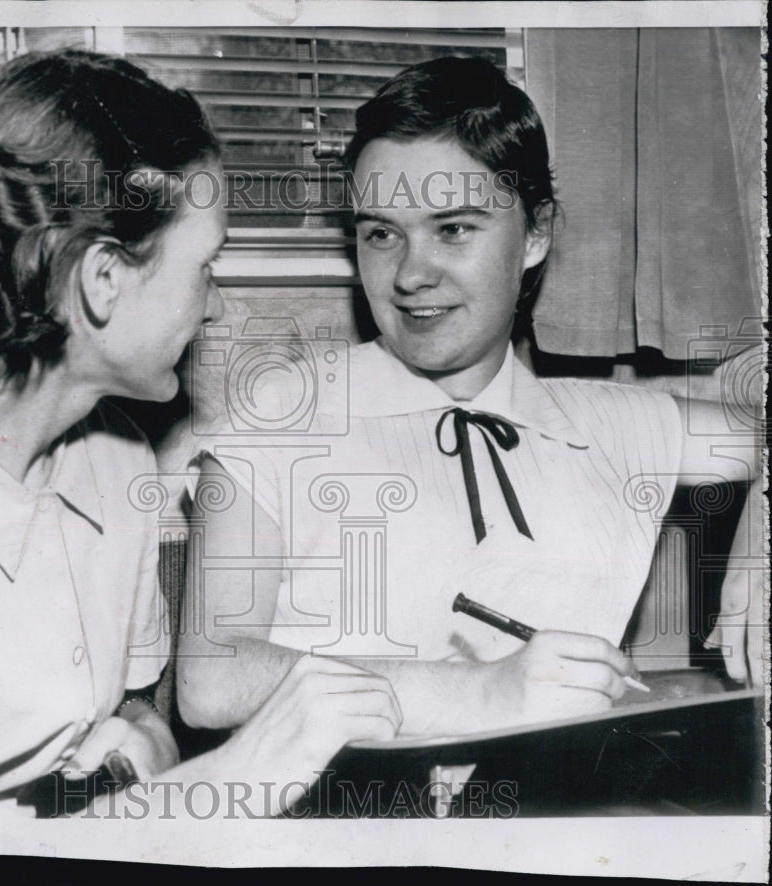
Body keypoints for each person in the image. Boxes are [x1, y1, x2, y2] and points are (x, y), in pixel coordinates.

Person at [0, 48, 400, 822]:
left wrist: (147, 747)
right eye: (206, 266)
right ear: (104, 277)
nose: (213, 309)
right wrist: (245, 770)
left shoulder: (117, 455)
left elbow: (138, 715)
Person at [177, 57, 763, 738]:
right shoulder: (282, 411)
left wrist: (762, 533)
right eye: (381, 234)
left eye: (453, 229)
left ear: (536, 233)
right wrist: (478, 693)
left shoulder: (608, 422)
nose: (412, 275)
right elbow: (210, 679)